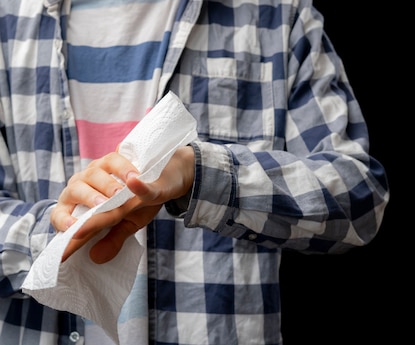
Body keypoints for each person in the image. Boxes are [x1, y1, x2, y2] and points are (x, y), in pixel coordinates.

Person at [0, 0, 390, 344]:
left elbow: (359, 201)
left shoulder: (277, 13)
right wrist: (54, 236)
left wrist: (200, 173)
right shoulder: (8, 22)